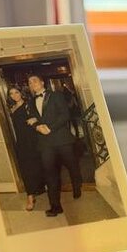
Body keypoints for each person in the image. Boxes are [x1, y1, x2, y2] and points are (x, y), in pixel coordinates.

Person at [25, 75, 82, 217]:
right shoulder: (30, 102)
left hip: (62, 139)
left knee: (72, 166)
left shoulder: (56, 95)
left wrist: (50, 128)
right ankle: (56, 206)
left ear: (42, 82)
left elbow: (65, 115)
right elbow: (31, 119)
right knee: (50, 173)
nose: (32, 83)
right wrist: (37, 127)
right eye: (30, 82)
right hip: (45, 143)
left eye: (35, 80)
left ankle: (77, 186)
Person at [7, 86, 45, 211]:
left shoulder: (29, 105)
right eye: (11, 93)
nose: (14, 95)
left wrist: (36, 119)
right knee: (25, 169)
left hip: (32, 140)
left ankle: (38, 189)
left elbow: (41, 116)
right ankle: (30, 196)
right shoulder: (12, 108)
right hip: (21, 142)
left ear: (21, 93)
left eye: (16, 92)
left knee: (36, 167)